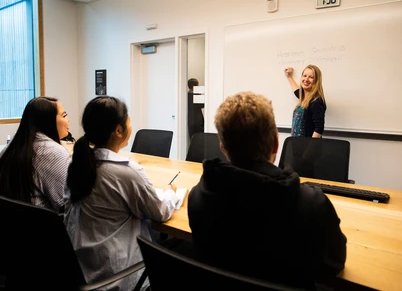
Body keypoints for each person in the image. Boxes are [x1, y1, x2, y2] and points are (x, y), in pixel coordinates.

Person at [187, 91, 346, 289]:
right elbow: (333, 265)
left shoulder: (198, 197)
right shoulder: (312, 206)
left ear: (222, 147)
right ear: (275, 144)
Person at [64, 95, 180, 290]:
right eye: (129, 120)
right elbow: (160, 212)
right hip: (116, 278)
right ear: (118, 130)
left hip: (82, 267)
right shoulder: (125, 171)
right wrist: (171, 193)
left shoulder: (77, 164)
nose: (130, 124)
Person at [0, 96, 71, 212]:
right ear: (48, 121)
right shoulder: (54, 152)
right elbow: (67, 204)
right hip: (37, 225)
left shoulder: (13, 146)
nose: (68, 120)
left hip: (4, 221)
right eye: (64, 115)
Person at [284, 65, 326, 138]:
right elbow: (296, 90)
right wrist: (290, 77)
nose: (306, 79)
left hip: (307, 146)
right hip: (297, 144)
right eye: (304, 76)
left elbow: (319, 129)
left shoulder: (316, 101)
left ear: (316, 81)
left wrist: (310, 148)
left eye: (311, 77)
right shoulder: (304, 97)